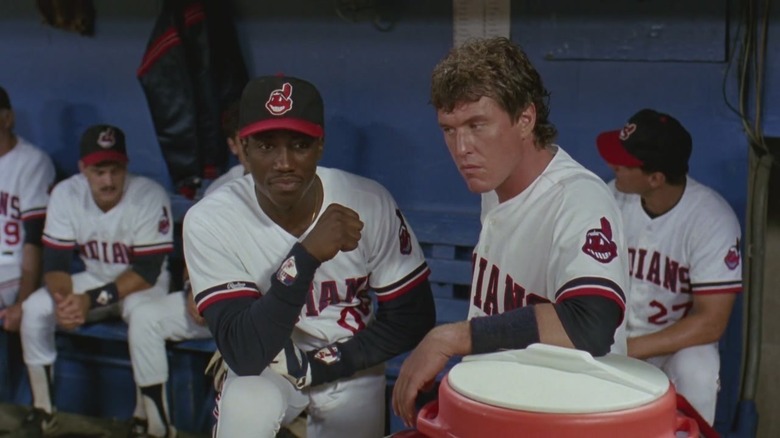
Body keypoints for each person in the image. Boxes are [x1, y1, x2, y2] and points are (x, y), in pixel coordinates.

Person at [391, 37, 631, 427]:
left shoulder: (578, 198)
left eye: (477, 125)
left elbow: (591, 323)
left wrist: (450, 337)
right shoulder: (495, 186)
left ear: (525, 119)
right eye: (449, 130)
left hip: (572, 415)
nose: (462, 147)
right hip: (508, 400)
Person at [183, 74, 436, 438]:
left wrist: (320, 365)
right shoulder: (212, 218)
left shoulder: (367, 201)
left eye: (299, 145)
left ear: (320, 145)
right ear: (243, 147)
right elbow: (243, 352)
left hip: (351, 361)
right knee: (247, 401)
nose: (284, 162)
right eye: (266, 146)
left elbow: (413, 317)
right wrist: (305, 256)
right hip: (266, 363)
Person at [19, 124, 174, 435]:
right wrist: (65, 302)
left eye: (115, 170)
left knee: (143, 316)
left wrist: (87, 301)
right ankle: (43, 408)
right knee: (35, 308)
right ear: (83, 169)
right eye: (99, 171)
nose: (108, 180)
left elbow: (146, 272)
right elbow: (56, 263)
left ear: (125, 166)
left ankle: (154, 422)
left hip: (144, 287)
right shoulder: (67, 193)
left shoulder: (148, 195)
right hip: (94, 278)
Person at [595, 108, 742, 425]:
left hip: (675, 345)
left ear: (656, 178)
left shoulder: (711, 218)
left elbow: (711, 322)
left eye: (625, 162)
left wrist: (632, 349)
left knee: (698, 369)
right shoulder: (611, 197)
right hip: (615, 338)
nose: (613, 165)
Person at [125, 103, 248, 438]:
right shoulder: (219, 189)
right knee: (146, 317)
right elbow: (198, 254)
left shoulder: (292, 187)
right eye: (245, 140)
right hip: (220, 307)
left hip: (266, 313)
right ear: (233, 144)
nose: (254, 148)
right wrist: (196, 288)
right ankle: (157, 425)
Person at [0, 86, 56, 333]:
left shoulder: (32, 162)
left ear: (7, 119)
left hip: (12, 265)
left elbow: (35, 239)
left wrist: (23, 303)